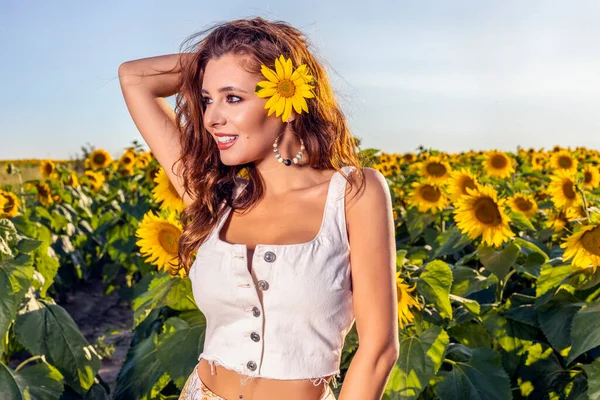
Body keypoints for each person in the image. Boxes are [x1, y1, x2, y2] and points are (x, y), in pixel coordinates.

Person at [118, 16, 399, 400]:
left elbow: (379, 350)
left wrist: (285, 65)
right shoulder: (213, 195)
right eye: (206, 99)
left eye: (233, 98)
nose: (212, 117)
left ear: (286, 99)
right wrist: (220, 56)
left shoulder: (353, 193)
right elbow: (134, 78)